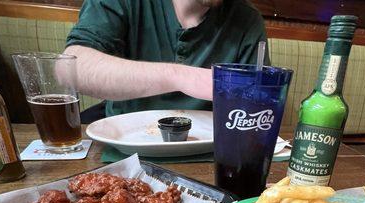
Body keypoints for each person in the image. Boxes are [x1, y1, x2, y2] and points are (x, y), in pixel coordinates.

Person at [64, 0, 269, 121]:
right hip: (122, 151)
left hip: (209, 158)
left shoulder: (247, 19)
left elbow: (258, 110)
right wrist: (180, 76)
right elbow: (71, 67)